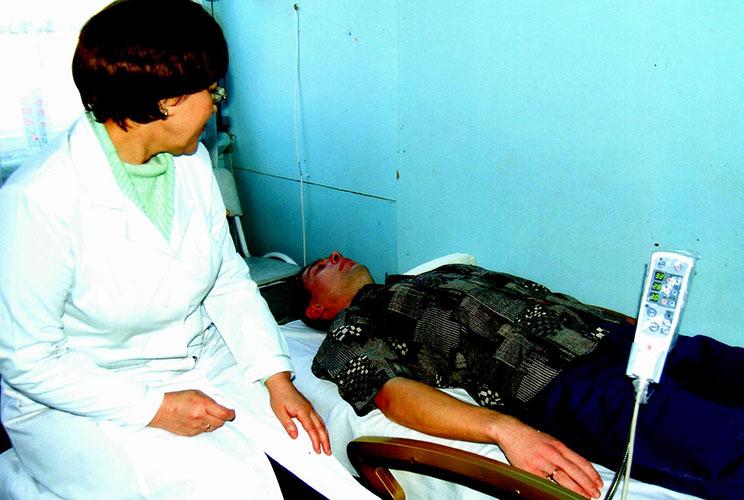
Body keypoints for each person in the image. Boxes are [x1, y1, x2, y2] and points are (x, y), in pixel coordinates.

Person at [0, 2, 373, 498]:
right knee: (223, 485)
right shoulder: (37, 199)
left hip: (197, 358)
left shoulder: (190, 162)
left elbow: (227, 280)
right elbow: (28, 360)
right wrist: (155, 408)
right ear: (164, 100)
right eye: (212, 91)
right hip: (84, 395)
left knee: (315, 463)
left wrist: (276, 377)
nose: (218, 106)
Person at [303, 250, 744, 500]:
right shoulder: (351, 330)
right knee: (721, 441)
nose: (335, 256)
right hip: (561, 383)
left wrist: (632, 325)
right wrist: (503, 430)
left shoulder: (447, 272)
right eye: (319, 266)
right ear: (317, 309)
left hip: (623, 338)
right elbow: (392, 395)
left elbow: (546, 296)